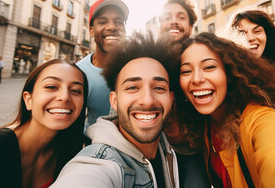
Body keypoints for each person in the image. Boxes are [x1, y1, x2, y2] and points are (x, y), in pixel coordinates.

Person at [175, 32, 275, 187]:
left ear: (228, 73)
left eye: (209, 67)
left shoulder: (261, 118)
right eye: (186, 71)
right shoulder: (204, 123)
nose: (196, 79)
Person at [51, 33, 180, 187]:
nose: (147, 100)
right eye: (132, 87)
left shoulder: (171, 146)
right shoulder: (98, 164)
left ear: (171, 99)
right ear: (114, 100)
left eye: (159, 88)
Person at [0, 59, 88, 188]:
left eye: (76, 90)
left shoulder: (71, 153)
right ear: (28, 100)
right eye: (51, 87)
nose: (65, 96)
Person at [158, 0, 210, 187]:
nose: (174, 21)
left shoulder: (201, 56)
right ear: (160, 25)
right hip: (155, 151)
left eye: (181, 17)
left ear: (190, 27)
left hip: (193, 152)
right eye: (167, 17)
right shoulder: (147, 58)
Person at [77, 0, 129, 135]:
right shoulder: (78, 73)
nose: (112, 27)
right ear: (91, 30)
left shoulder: (137, 65)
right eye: (103, 21)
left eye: (119, 22)